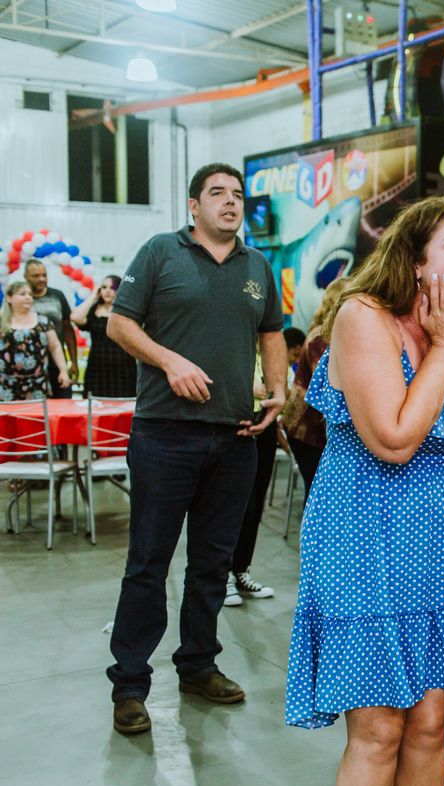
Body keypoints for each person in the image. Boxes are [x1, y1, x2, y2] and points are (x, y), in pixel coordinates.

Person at [284, 196, 444, 786]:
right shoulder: (364, 316)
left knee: (429, 726)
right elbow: (394, 440)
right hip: (365, 543)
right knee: (379, 731)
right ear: (415, 262)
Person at [105, 163, 287, 736]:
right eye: (217, 193)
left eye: (237, 194)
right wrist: (169, 360)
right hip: (165, 433)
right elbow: (119, 325)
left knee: (213, 563)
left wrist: (278, 390)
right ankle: (129, 684)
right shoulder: (161, 252)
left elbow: (272, 332)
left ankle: (198, 665)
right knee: (148, 564)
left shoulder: (257, 266)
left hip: (236, 435)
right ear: (194, 205)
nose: (231, 202)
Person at [223, 326, 307, 608]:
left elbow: (287, 385)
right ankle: (223, 575)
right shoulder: (235, 340)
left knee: (257, 500)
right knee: (236, 503)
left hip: (266, 424)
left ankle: (241, 570)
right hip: (238, 421)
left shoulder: (273, 347)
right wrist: (247, 387)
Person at [280, 277, 349, 499]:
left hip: (318, 430)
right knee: (318, 495)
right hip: (305, 430)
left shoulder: (337, 333)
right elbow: (332, 389)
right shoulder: (321, 336)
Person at [0, 280, 71, 400]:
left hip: (37, 384)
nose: (28, 297)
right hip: (6, 385)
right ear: (9, 298)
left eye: (29, 294)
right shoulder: (2, 322)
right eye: (22, 294)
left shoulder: (43, 321)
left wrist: (63, 371)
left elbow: (55, 347)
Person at [72, 275, 138, 398]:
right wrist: (93, 296)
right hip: (97, 367)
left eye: (112, 287)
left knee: (123, 403)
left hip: (123, 366)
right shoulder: (94, 310)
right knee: (95, 403)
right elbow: (75, 317)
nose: (107, 291)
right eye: (104, 287)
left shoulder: (126, 310)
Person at [23, 258, 78, 397]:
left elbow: (68, 330)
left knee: (63, 403)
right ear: (25, 277)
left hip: (57, 364)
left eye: (44, 275)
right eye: (36, 276)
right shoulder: (20, 298)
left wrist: (74, 362)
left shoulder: (57, 296)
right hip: (29, 366)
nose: (42, 279)